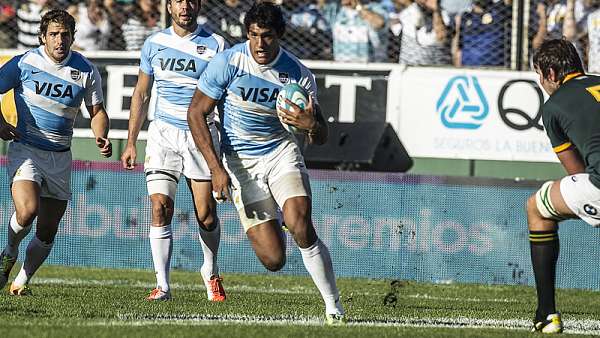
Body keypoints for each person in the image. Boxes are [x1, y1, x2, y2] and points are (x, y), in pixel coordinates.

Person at [187, 2, 345, 324]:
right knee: (274, 259)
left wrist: (311, 124)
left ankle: (334, 307)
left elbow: (322, 135)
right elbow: (196, 113)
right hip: (241, 163)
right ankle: (278, 218)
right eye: (254, 35)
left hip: (281, 153)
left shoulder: (298, 74)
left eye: (267, 36)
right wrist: (216, 169)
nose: (260, 44)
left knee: (301, 224)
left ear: (280, 36)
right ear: (247, 34)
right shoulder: (229, 62)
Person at [120, 0, 227, 302]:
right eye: (179, 0)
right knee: (159, 207)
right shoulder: (154, 44)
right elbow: (141, 93)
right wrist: (130, 142)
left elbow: (225, 96)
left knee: (206, 215)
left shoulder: (216, 44)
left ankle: (210, 270)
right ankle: (163, 285)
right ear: (169, 6)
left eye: (191, 0)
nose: (185, 6)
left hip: (201, 134)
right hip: (162, 133)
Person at [0, 9, 112, 295]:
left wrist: (101, 134)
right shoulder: (25, 62)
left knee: (47, 230)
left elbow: (97, 111)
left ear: (73, 37)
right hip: (27, 149)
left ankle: (21, 281)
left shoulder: (86, 70)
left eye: (64, 34)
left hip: (60, 157)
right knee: (28, 210)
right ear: (43, 36)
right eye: (53, 34)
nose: (59, 40)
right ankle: (9, 253)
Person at [527, 38, 600, 333]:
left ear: (552, 73)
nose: (542, 82)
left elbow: (577, 173)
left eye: (539, 75)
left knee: (537, 208)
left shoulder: (553, 106)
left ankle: (547, 314)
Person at [322, 0, 388, 62]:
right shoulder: (335, 10)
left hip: (371, 67)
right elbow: (321, 5)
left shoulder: (375, 8)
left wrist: (358, 7)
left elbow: (379, 23)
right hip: (342, 65)